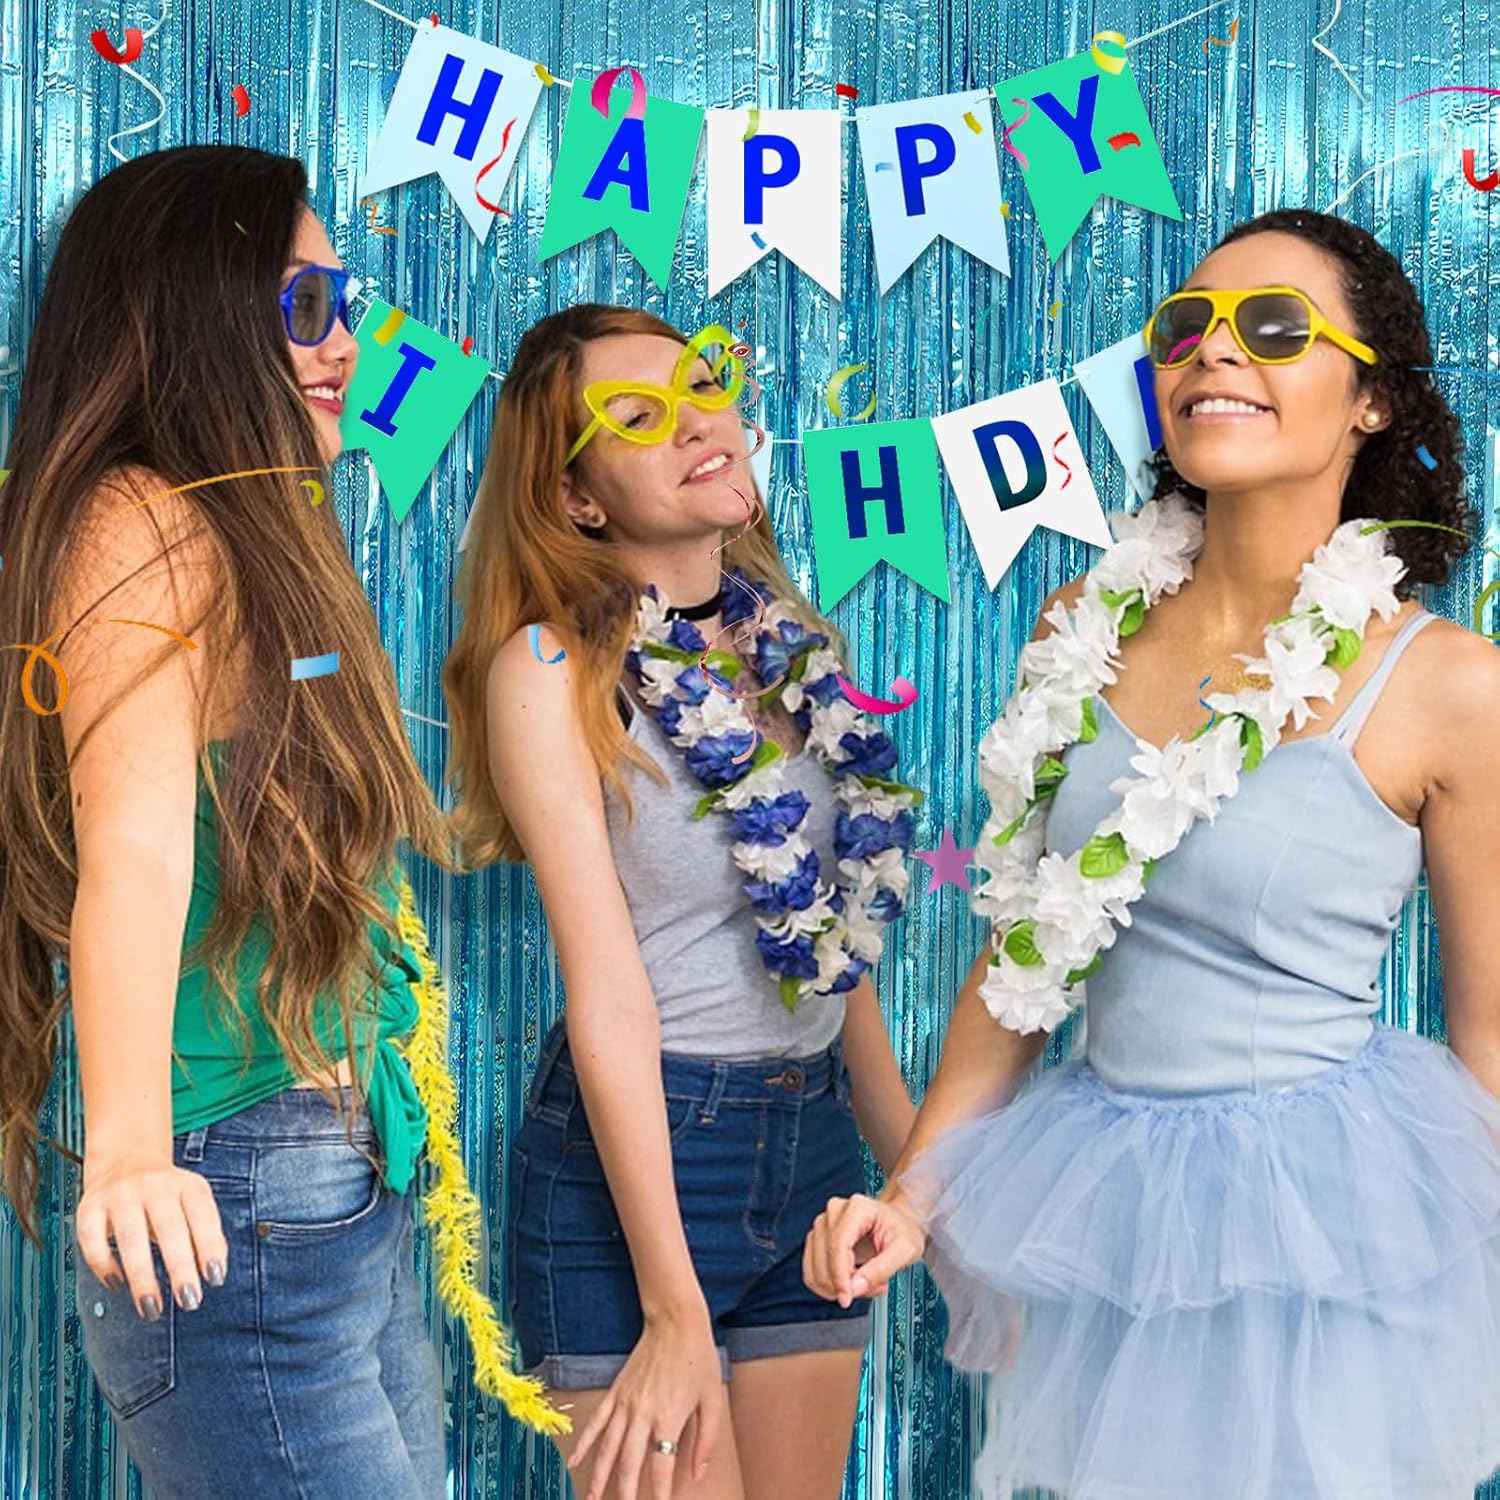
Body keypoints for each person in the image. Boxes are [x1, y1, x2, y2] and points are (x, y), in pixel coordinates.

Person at [803, 209, 1500, 1498]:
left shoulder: (1449, 685)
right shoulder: (1082, 623)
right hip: (1115, 1216)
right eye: (1187, 328)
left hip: (1327, 1231)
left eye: (1274, 328)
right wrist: (910, 1200)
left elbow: (1493, 1045)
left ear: (1372, 401)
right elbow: (1023, 963)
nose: (1213, 352)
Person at [0, 145, 460, 1497]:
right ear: (195, 314)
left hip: (333, 1181)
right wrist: (128, 1149)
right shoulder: (137, 520)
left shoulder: (254, 531)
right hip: (235, 1198)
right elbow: (135, 848)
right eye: (306, 305)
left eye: (345, 303)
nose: (345, 343)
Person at [442, 305, 920, 1500]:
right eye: (638, 416)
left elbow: (831, 951)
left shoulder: (792, 649)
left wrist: (922, 1183)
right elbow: (606, 992)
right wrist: (671, 1306)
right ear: (577, 499)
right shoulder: (549, 671)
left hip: (813, 1144)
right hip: (645, 1168)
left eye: (702, 386)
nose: (696, 421)